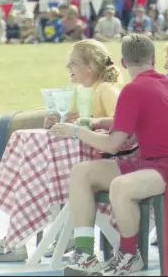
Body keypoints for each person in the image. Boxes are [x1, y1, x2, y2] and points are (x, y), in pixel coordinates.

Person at [0, 39, 122, 263]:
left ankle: (18, 241)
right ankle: (55, 234)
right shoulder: (82, 92)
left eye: (73, 63)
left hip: (106, 163)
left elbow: (122, 121)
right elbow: (74, 121)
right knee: (42, 173)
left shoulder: (105, 89)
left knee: (39, 175)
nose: (68, 69)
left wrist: (88, 122)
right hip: (84, 162)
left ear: (90, 67)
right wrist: (57, 120)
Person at [50, 34, 168, 276]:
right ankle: (85, 254)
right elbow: (129, 121)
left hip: (161, 168)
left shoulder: (133, 90)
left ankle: (128, 256)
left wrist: (75, 131)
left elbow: (113, 145)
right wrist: (94, 122)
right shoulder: (160, 82)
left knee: (120, 186)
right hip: (147, 162)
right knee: (82, 172)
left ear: (123, 63)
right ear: (153, 59)